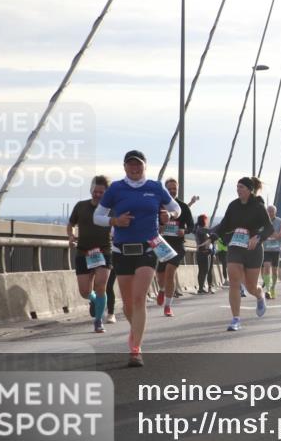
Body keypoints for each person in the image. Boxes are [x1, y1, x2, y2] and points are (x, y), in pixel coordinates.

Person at [94, 150, 181, 367]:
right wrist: (115, 221)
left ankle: (135, 349)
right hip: (122, 249)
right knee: (128, 303)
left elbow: (176, 209)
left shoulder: (155, 187)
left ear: (145, 166)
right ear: (124, 167)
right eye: (130, 165)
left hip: (149, 247)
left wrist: (168, 215)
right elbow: (98, 217)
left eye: (138, 165)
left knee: (139, 297)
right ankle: (136, 332)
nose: (135, 168)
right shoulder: (116, 188)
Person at [211, 177, 272, 331]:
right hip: (236, 247)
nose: (238, 190)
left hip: (253, 250)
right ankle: (236, 319)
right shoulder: (233, 205)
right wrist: (212, 235)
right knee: (234, 282)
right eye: (237, 187)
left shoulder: (258, 206)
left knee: (251, 286)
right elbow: (224, 225)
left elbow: (269, 228)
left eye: (242, 187)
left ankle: (259, 295)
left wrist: (258, 237)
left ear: (250, 190)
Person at [67, 175, 112, 333]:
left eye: (101, 192)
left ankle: (98, 320)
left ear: (106, 193)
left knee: (101, 286)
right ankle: (94, 300)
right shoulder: (81, 206)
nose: (98, 194)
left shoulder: (110, 209)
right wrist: (71, 235)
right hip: (83, 252)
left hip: (103, 251)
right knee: (85, 292)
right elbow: (71, 224)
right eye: (95, 191)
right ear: (91, 190)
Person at [155, 177, 193, 317]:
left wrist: (185, 231)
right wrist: (158, 228)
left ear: (178, 190)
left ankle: (168, 306)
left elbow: (192, 226)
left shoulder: (183, 207)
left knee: (170, 273)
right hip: (161, 244)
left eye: (174, 189)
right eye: (169, 189)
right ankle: (162, 289)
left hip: (177, 245)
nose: (172, 192)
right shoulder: (158, 205)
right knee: (160, 276)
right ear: (165, 190)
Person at [261, 204, 281, 300]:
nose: (269, 213)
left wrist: (272, 235)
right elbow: (262, 234)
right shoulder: (263, 221)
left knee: (274, 271)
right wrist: (274, 235)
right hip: (266, 249)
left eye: (271, 211)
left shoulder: (280, 221)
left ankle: (273, 288)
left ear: (275, 212)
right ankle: (268, 290)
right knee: (266, 267)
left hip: (276, 249)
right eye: (268, 211)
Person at [194, 214, 214, 294]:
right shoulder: (204, 230)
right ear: (205, 220)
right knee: (205, 270)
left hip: (202, 252)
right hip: (205, 252)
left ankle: (203, 288)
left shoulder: (197, 229)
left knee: (203, 270)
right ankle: (201, 289)